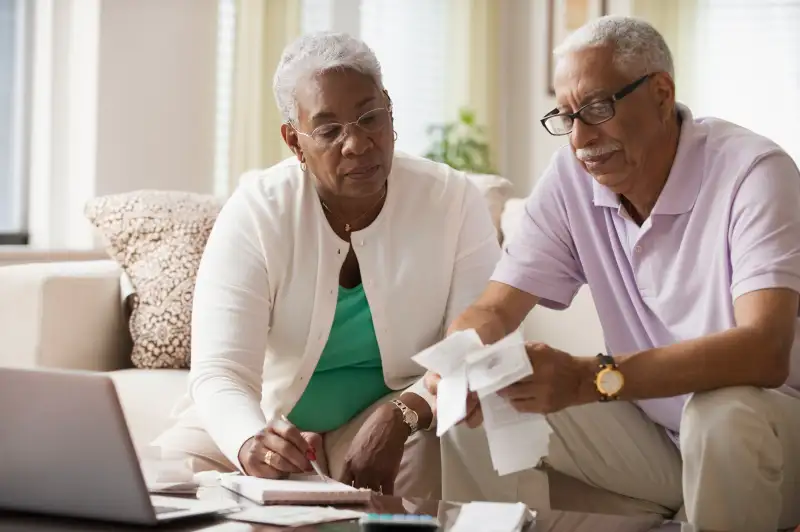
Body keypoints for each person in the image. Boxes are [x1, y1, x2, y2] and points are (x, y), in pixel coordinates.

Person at [425, 15, 800, 532]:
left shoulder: (754, 172)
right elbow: (495, 308)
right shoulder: (571, 179)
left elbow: (765, 350)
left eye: (598, 108)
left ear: (662, 94)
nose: (580, 138)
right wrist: (458, 359)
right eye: (566, 115)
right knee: (485, 390)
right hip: (654, 433)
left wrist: (589, 377)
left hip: (770, 429)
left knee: (721, 414)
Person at [152, 31, 501, 498]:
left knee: (423, 472)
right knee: (162, 483)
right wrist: (249, 441)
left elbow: (473, 346)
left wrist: (403, 412)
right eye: (329, 129)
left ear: (390, 110)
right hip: (269, 419)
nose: (357, 144)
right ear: (294, 142)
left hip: (392, 418)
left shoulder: (453, 200)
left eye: (369, 117)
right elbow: (221, 372)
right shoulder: (258, 211)